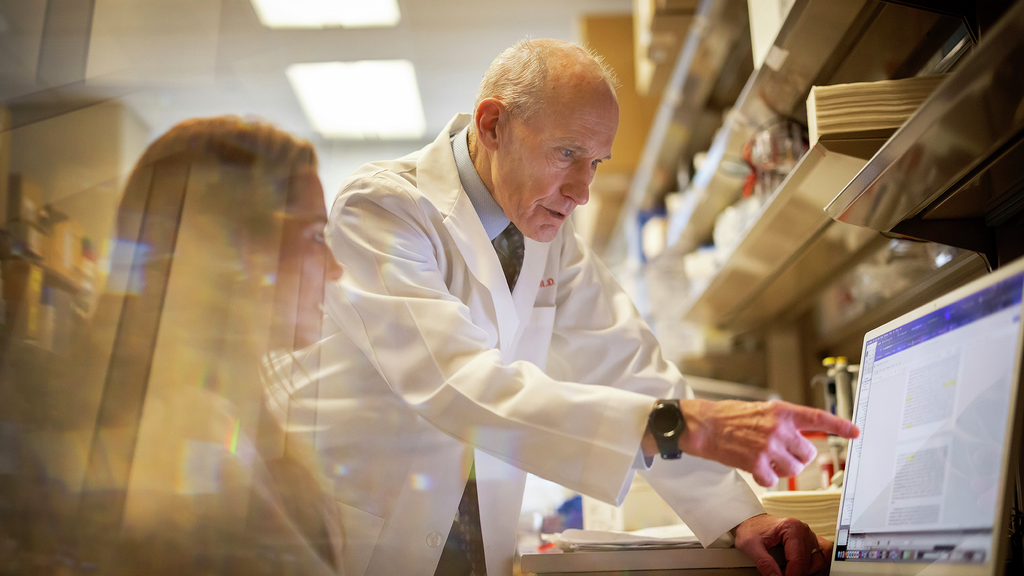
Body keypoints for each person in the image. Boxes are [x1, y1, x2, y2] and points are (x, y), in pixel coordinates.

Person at [320, 39, 858, 576]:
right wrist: (684, 424)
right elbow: (454, 382)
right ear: (491, 126)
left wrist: (739, 517)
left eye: (596, 161)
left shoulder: (546, 230)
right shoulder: (382, 209)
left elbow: (628, 367)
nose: (582, 190)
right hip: (373, 544)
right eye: (567, 153)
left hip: (476, 547)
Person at [59, 116, 343, 574]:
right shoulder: (192, 433)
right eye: (314, 236)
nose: (334, 268)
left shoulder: (222, 410)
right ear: (233, 251)